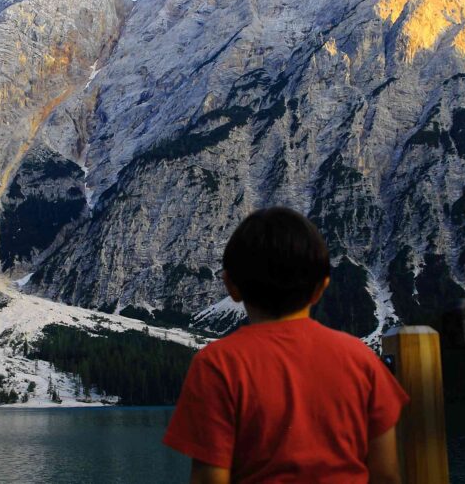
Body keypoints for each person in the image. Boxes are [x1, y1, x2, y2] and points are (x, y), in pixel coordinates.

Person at [163, 207, 408, 484]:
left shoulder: (217, 363)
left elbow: (210, 480)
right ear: (322, 287)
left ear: (231, 286)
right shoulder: (362, 359)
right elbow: (386, 474)